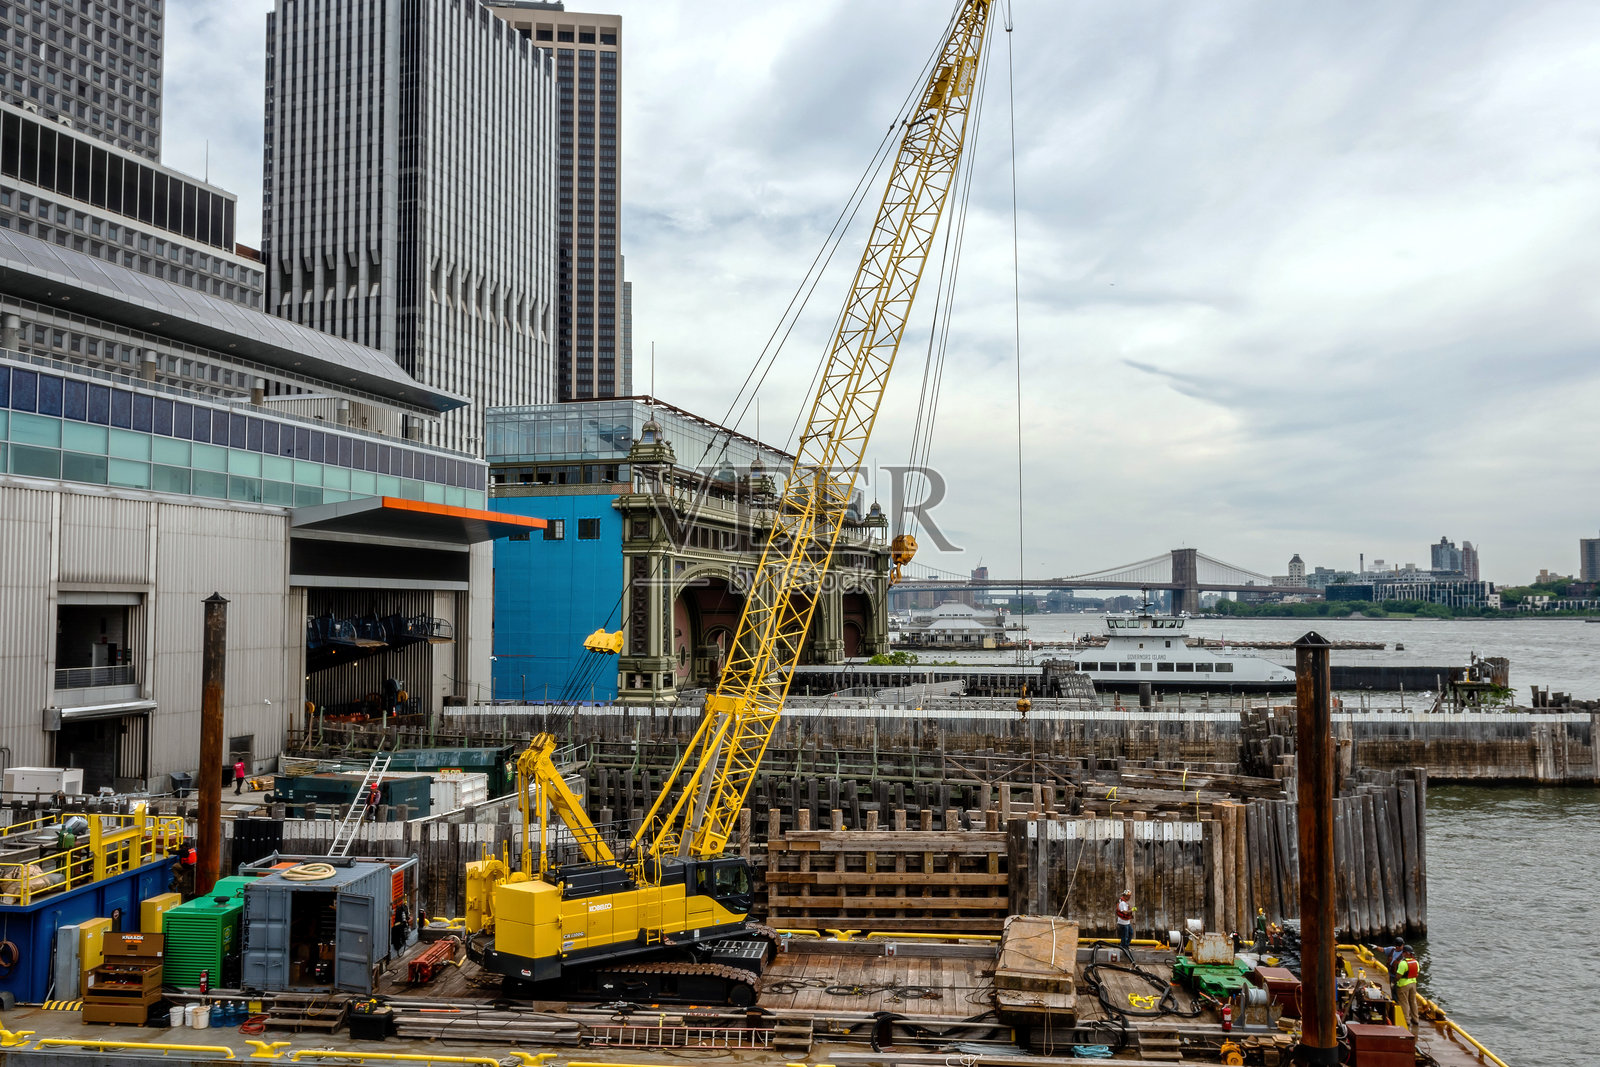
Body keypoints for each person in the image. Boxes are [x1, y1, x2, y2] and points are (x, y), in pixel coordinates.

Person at [1393, 947, 1420, 1032]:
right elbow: (1417, 973)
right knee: (1413, 1001)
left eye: (1403, 952)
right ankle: (1415, 1019)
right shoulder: (1416, 962)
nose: (1402, 953)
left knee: (1404, 1002)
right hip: (1413, 983)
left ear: (1406, 953)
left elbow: (1398, 976)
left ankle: (1406, 1020)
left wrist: (1394, 982)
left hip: (1403, 985)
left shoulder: (1403, 963)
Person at [1116, 891, 1134, 959]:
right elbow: (1125, 912)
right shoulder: (1122, 903)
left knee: (1130, 933)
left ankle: (1126, 946)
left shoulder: (1125, 903)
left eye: (1129, 896)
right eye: (1128, 896)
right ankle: (1123, 947)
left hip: (1127, 922)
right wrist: (1132, 910)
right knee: (1125, 936)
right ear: (1125, 896)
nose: (1129, 897)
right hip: (1123, 923)